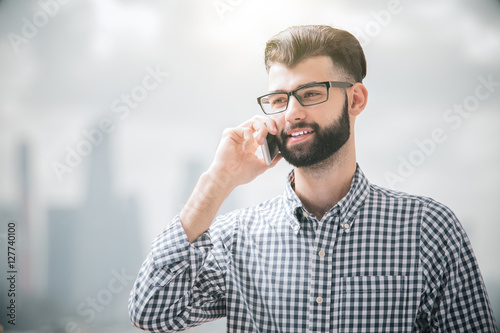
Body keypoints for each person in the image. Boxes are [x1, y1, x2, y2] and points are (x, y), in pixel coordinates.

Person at [128, 25, 498, 332]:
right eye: (278, 99)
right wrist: (216, 182)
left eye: (310, 93)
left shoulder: (429, 229)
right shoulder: (235, 239)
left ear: (355, 100)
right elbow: (152, 312)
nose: (292, 113)